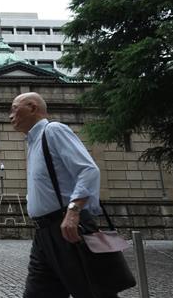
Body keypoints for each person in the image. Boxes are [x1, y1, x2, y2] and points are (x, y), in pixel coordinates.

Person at [10, 92, 115, 298]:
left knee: (93, 292)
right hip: (43, 234)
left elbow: (88, 170)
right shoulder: (32, 142)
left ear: (32, 108)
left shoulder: (53, 131)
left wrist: (74, 211)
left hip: (66, 229)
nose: (10, 115)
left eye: (14, 108)